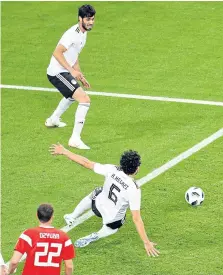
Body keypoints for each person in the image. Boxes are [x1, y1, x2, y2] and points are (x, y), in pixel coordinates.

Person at [49, 143, 159, 257]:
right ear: (136, 168)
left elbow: (86, 162)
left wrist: (65, 151)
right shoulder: (134, 188)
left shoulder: (112, 169)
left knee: (97, 191)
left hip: (97, 205)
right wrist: (146, 242)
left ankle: (72, 215)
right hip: (111, 220)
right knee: (116, 224)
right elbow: (136, 218)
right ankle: (97, 235)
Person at [45, 4, 96, 150]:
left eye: (92, 19)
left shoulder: (83, 33)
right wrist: (70, 71)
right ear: (80, 18)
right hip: (57, 72)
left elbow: (74, 56)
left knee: (73, 95)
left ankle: (53, 120)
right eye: (88, 19)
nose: (91, 22)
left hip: (65, 70)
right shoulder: (72, 34)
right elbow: (57, 52)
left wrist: (79, 74)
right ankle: (75, 139)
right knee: (84, 100)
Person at [8, 204, 75, 275]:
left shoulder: (28, 234)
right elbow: (69, 266)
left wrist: (9, 271)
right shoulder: (64, 237)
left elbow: (14, 262)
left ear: (37, 215)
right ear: (52, 216)